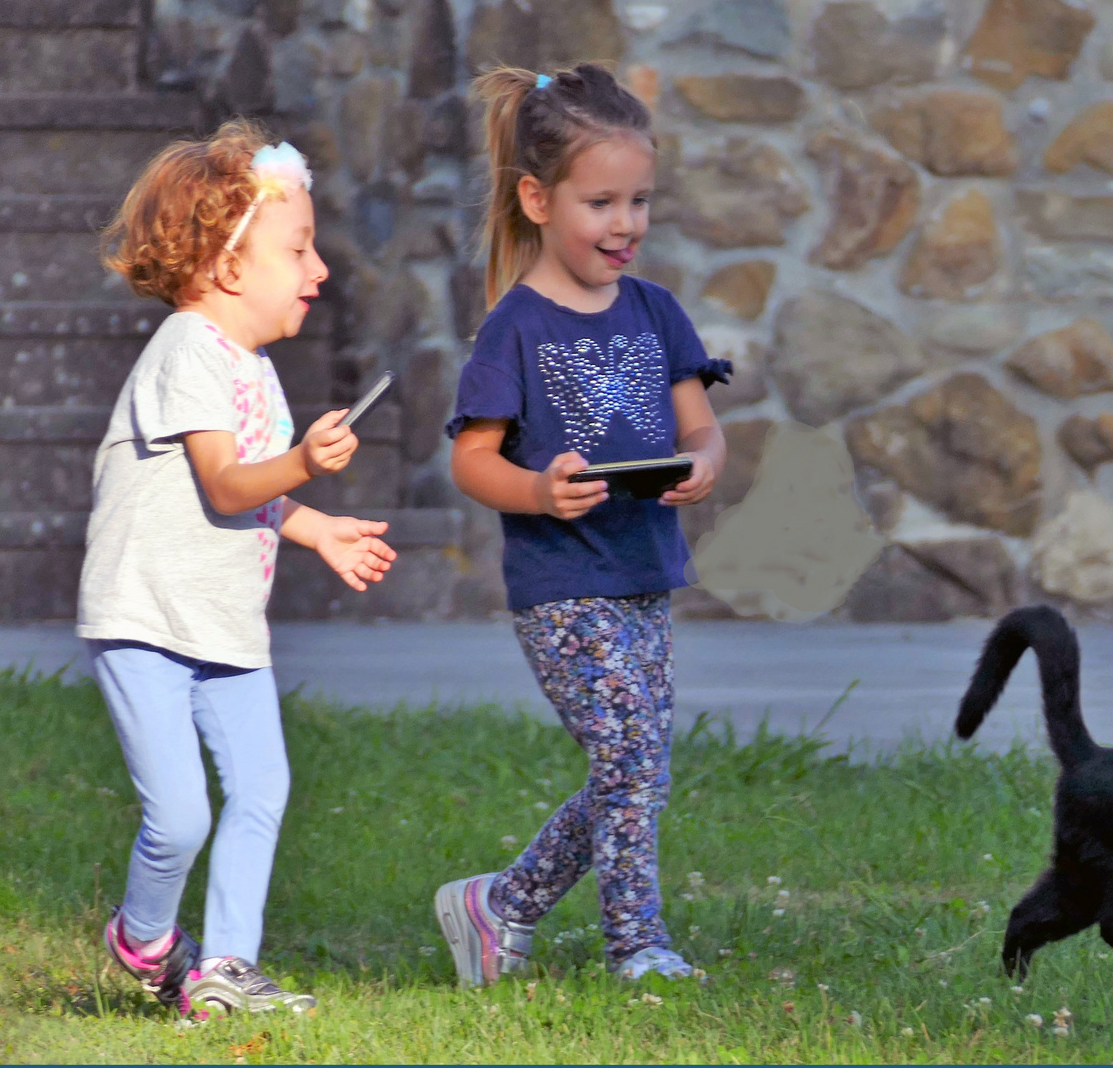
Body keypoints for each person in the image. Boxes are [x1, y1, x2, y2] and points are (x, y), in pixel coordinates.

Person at [82, 120, 397, 1017]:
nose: (319, 269)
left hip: (224, 624)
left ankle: (222, 969)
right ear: (227, 269)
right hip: (145, 619)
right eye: (298, 249)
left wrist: (318, 526)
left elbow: (248, 488)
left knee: (262, 788)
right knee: (180, 815)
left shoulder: (252, 369)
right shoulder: (186, 351)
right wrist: (302, 465)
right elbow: (226, 483)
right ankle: (143, 938)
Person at [434, 63, 732, 985]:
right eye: (601, 201)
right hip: (563, 589)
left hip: (646, 572)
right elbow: (472, 457)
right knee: (631, 760)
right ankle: (636, 945)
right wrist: (537, 491)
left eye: (639, 201)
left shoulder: (655, 310)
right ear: (536, 198)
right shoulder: (513, 328)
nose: (625, 224)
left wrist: (705, 467)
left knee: (637, 769)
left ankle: (502, 904)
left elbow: (700, 425)